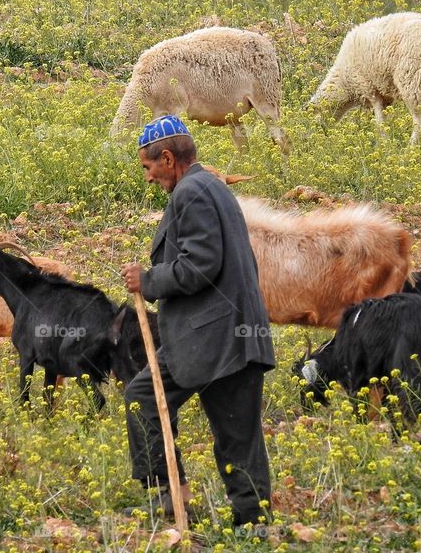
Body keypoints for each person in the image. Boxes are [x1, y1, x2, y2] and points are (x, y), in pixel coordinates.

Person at [120, 114, 275, 531]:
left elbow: (201, 264)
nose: (149, 177)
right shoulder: (209, 185)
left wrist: (149, 281)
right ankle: (179, 497)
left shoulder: (191, 192)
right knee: (229, 429)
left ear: (167, 158)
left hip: (216, 339)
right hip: (222, 334)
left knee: (229, 430)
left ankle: (245, 519)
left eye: (148, 167)